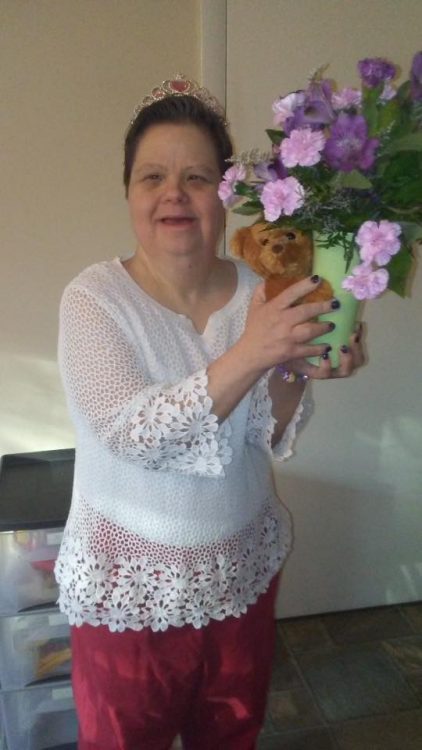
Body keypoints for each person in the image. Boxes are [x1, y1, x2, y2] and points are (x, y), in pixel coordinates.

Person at [55, 75, 364, 750]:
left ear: (224, 195)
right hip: (127, 601)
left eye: (196, 176)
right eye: (152, 176)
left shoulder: (262, 288)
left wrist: (298, 364)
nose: (174, 193)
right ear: (129, 192)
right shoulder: (93, 299)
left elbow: (266, 428)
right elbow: (134, 434)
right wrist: (256, 350)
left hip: (239, 577)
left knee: (232, 737)